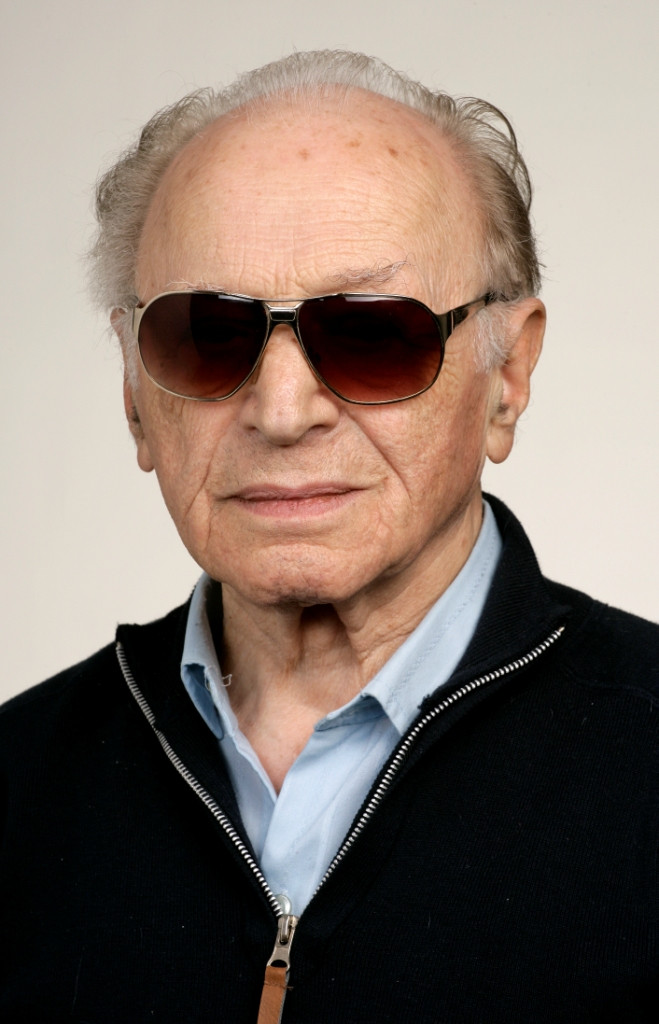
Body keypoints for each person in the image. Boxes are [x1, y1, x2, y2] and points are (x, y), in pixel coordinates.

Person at [0, 50, 656, 1024]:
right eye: (205, 334)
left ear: (508, 378)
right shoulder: (15, 784)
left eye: (371, 334)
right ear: (136, 395)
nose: (280, 410)